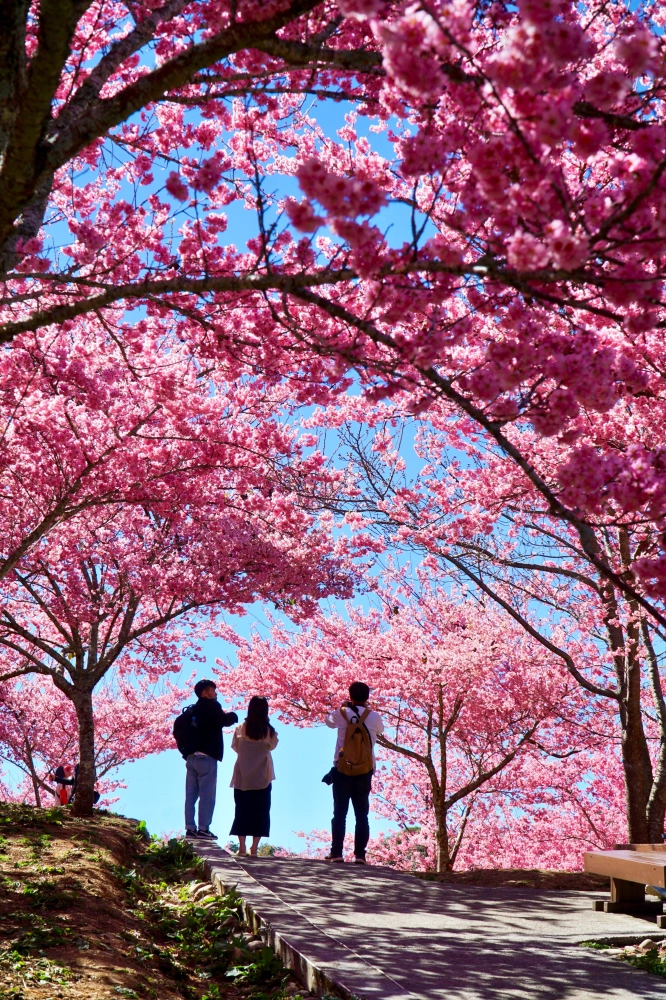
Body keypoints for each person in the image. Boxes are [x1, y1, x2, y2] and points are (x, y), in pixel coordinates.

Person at [325, 681, 384, 865]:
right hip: (365, 770)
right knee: (361, 814)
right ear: (367, 697)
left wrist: (343, 708)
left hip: (342, 769)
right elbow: (380, 731)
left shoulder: (341, 714)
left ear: (350, 695)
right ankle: (360, 855)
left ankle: (336, 853)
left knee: (340, 813)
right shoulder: (374, 717)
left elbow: (328, 722)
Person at [184, 679, 238, 840]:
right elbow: (223, 720)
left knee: (191, 795)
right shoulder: (212, 705)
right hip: (207, 757)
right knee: (207, 795)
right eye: (213, 690)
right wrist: (233, 716)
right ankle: (203, 828)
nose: (216, 693)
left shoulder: (193, 709)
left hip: (191, 757)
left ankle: (190, 827)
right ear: (206, 693)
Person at [230, 696, 278, 857]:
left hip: (243, 776)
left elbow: (235, 747)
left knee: (241, 810)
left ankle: (242, 847)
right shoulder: (269, 731)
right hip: (262, 776)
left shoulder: (240, 729)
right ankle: (254, 848)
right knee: (261, 812)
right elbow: (273, 746)